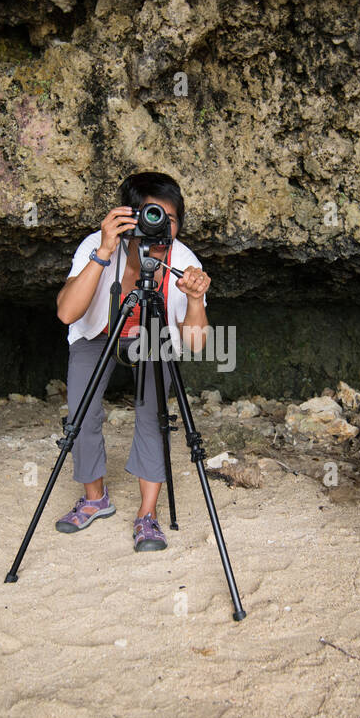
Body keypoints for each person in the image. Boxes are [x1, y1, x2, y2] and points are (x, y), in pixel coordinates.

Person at [54, 172, 211, 551]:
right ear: (127, 215)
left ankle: (147, 515)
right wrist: (105, 251)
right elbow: (66, 313)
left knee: (153, 415)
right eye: (148, 213)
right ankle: (95, 497)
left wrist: (192, 300)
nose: (158, 224)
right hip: (99, 332)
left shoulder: (184, 260)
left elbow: (196, 343)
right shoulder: (98, 244)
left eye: (167, 217)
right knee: (80, 410)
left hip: (155, 338)